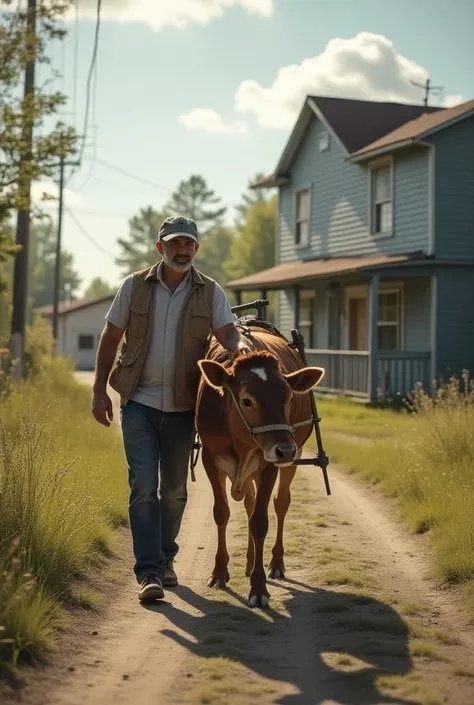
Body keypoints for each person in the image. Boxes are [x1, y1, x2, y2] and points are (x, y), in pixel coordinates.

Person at [91, 214, 250, 603]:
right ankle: (148, 571)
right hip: (139, 403)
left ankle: (165, 559)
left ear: (197, 249)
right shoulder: (134, 286)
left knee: (175, 491)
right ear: (160, 247)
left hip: (182, 407)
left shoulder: (211, 291)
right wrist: (98, 391)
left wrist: (241, 348)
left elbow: (226, 331)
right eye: (175, 243)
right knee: (143, 486)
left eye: (189, 244)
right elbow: (110, 338)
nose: (183, 250)